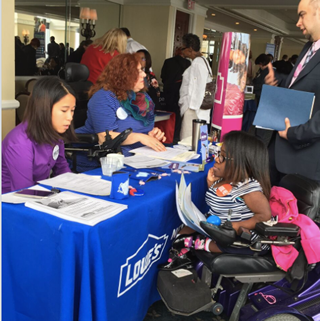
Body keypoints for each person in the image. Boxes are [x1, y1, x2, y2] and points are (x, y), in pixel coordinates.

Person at [160, 131, 272, 270]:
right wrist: (210, 184)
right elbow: (220, 202)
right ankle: (183, 257)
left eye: (223, 157)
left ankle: (191, 249)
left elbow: (264, 216)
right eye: (218, 154)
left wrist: (235, 226)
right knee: (182, 233)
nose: (216, 160)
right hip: (219, 230)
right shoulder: (224, 181)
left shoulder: (249, 189)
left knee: (193, 242)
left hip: (241, 239)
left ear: (241, 164)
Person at [75, 53, 166, 172]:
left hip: (138, 157)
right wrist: (140, 137)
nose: (144, 74)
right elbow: (104, 138)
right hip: (104, 161)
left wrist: (150, 135)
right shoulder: (103, 97)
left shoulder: (142, 97)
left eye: (142, 70)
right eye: (138, 71)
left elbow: (142, 130)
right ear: (124, 75)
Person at [264, 0, 320, 186]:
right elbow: (298, 93)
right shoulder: (307, 48)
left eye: (302, 14)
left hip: (304, 160)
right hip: (278, 152)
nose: (297, 22)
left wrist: (294, 134)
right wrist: (276, 89)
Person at [2, 77, 77, 194]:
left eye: (72, 110)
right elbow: (24, 191)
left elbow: (62, 169)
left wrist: (78, 187)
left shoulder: (54, 133)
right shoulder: (19, 143)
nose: (70, 117)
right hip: (10, 204)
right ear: (43, 109)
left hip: (38, 194)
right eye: (64, 110)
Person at [178, 33, 212, 140]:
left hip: (194, 111)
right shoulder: (203, 61)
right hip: (199, 111)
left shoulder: (197, 63)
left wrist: (189, 109)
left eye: (183, 48)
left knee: (188, 141)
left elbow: (198, 89)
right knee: (199, 140)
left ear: (190, 49)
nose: (182, 51)